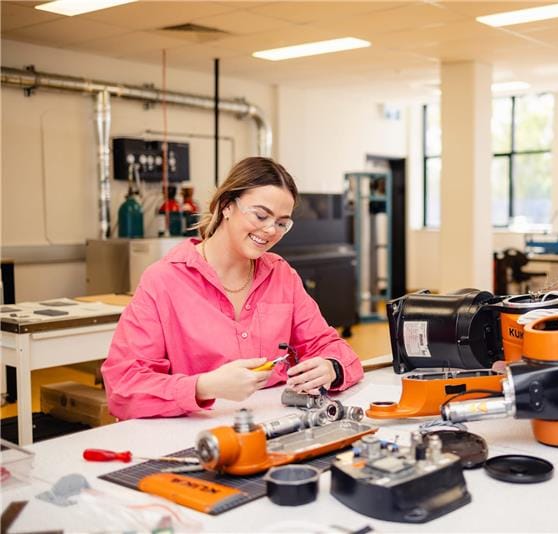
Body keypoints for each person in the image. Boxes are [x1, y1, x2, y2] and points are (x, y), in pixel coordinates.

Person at [101, 157, 364, 419]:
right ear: (227, 205)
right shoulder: (163, 281)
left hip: (274, 424)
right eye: (261, 215)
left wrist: (332, 367)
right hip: (195, 430)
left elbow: (329, 346)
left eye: (282, 223)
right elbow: (123, 387)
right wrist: (204, 386)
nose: (270, 230)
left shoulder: (282, 275)